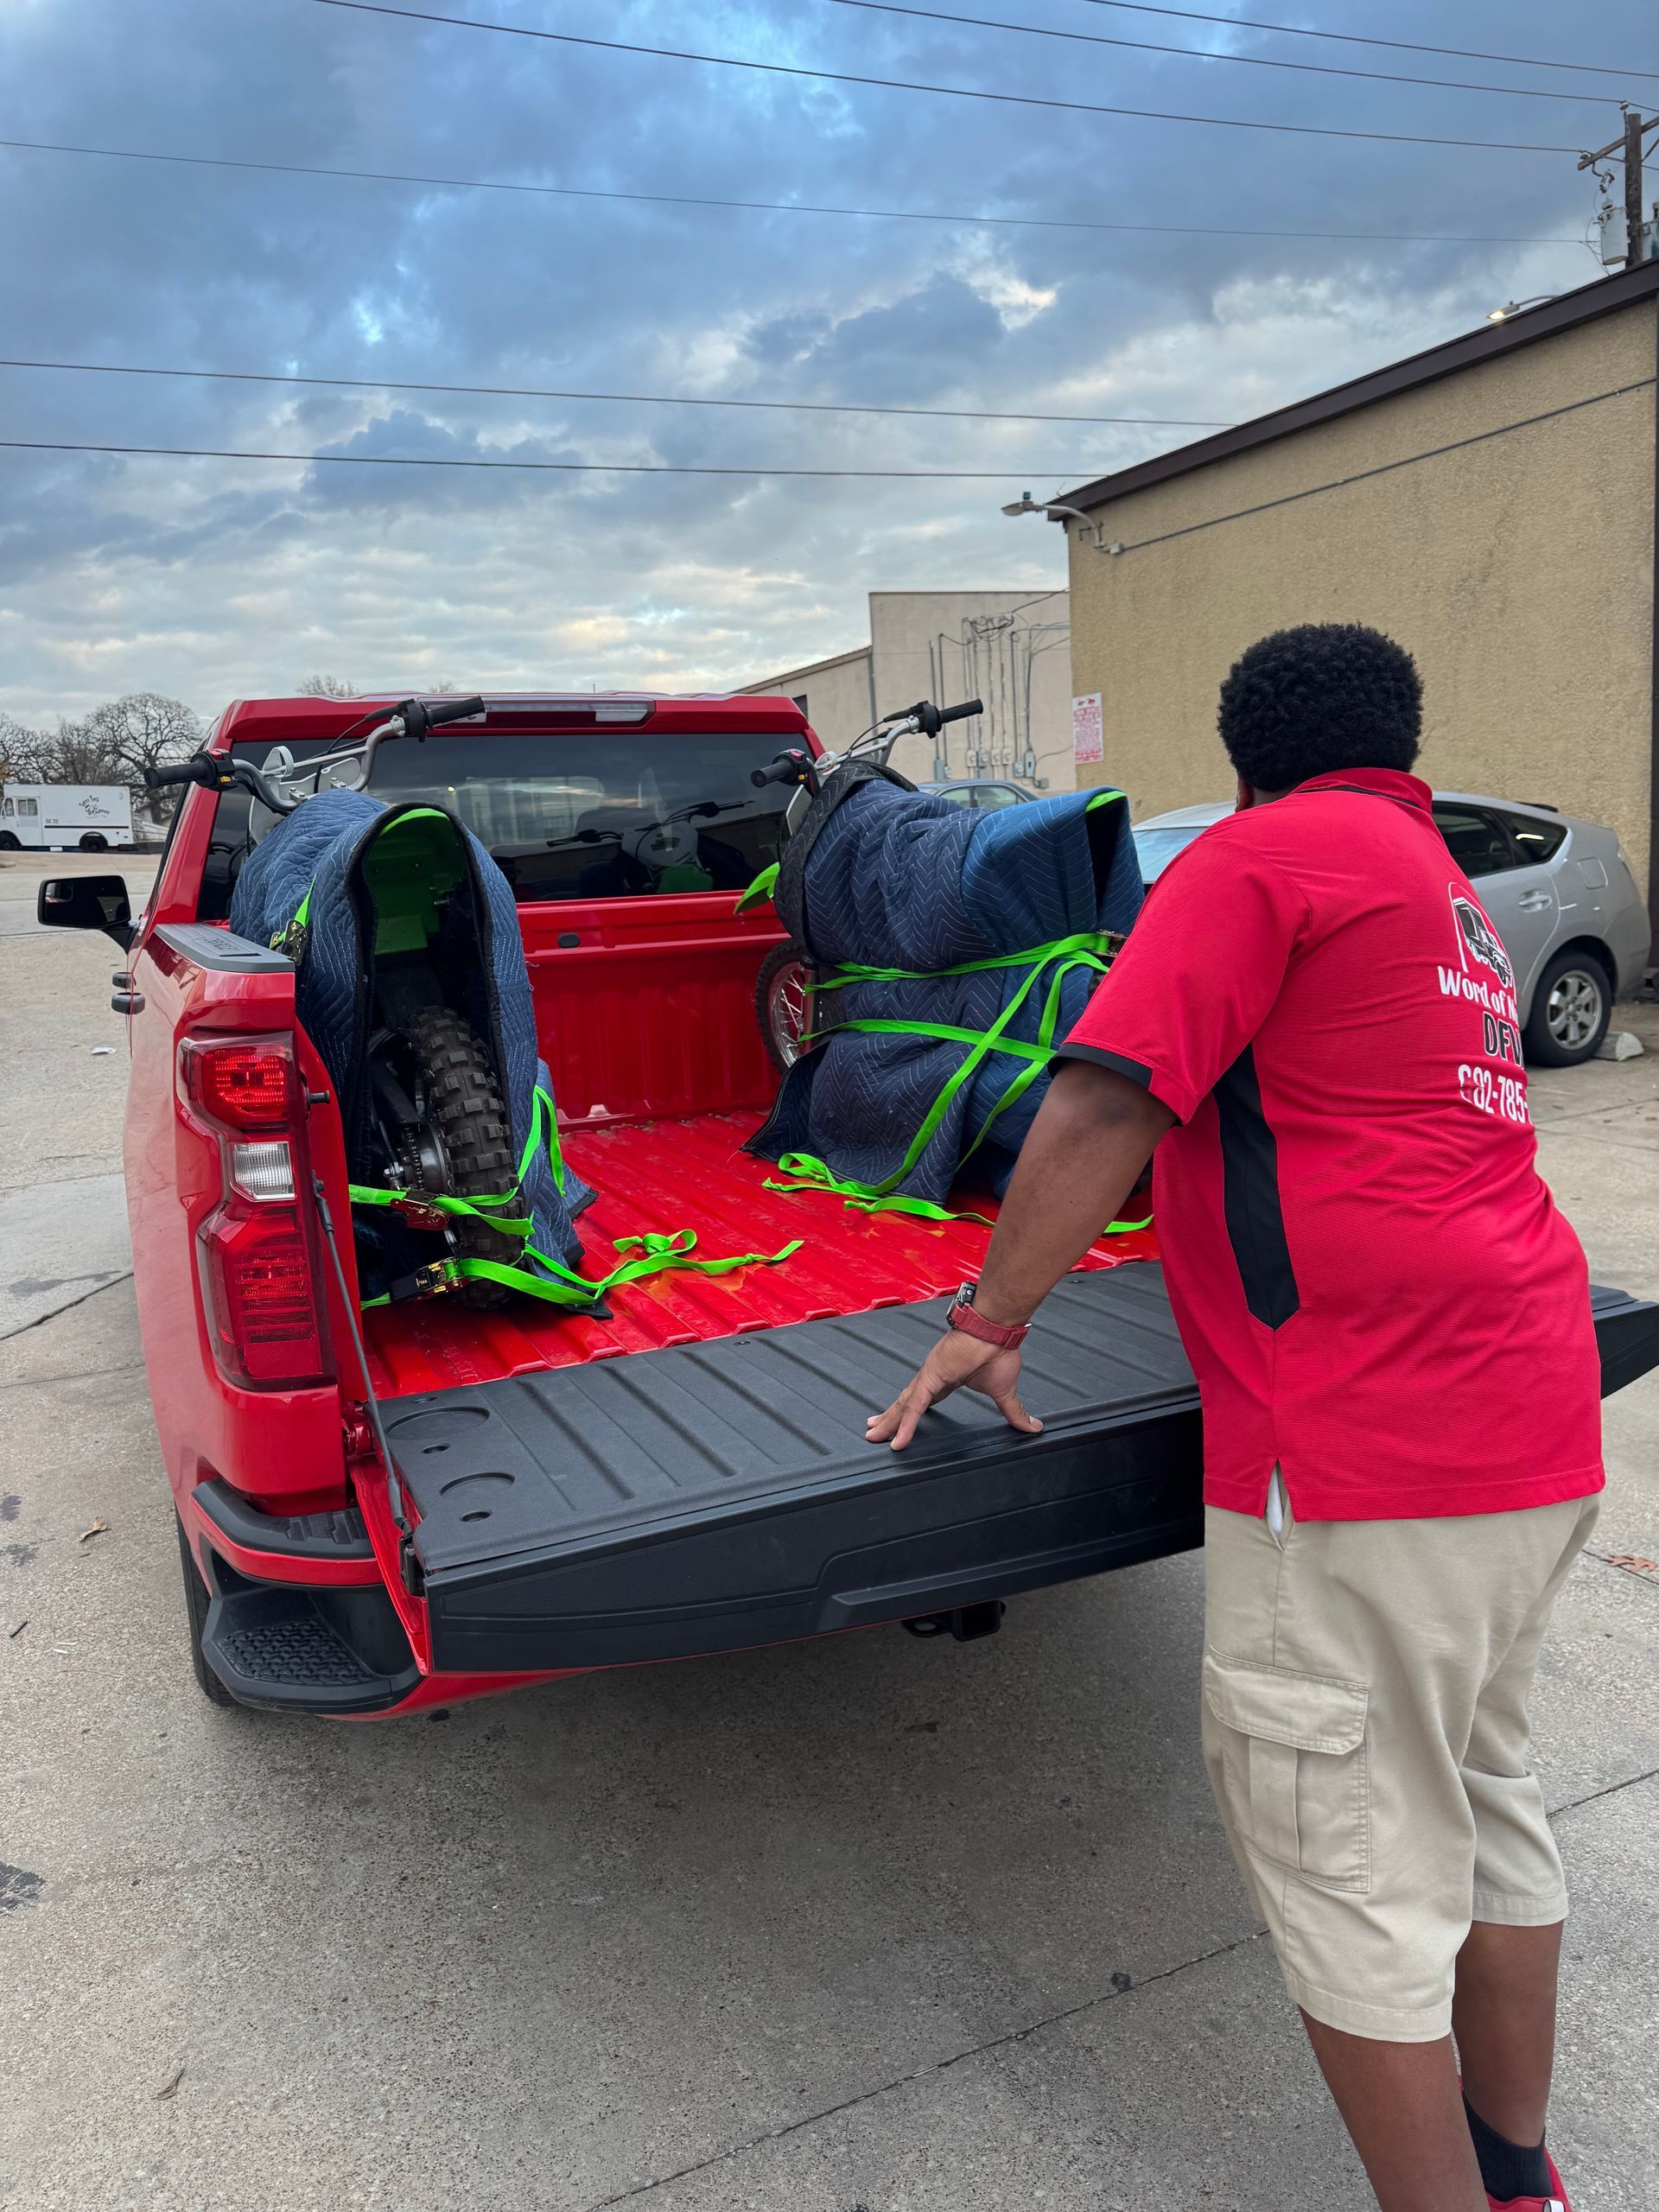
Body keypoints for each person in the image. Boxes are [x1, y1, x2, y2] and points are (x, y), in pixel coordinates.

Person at [868, 624, 1600, 2212]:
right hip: (1530, 1421)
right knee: (1483, 1803)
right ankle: (1517, 2175)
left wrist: (984, 1326)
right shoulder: (1442, 895)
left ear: (1246, 758)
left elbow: (1109, 1096)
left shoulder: (1261, 855)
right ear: (1402, 747)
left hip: (1364, 1451)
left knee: (1350, 1869)